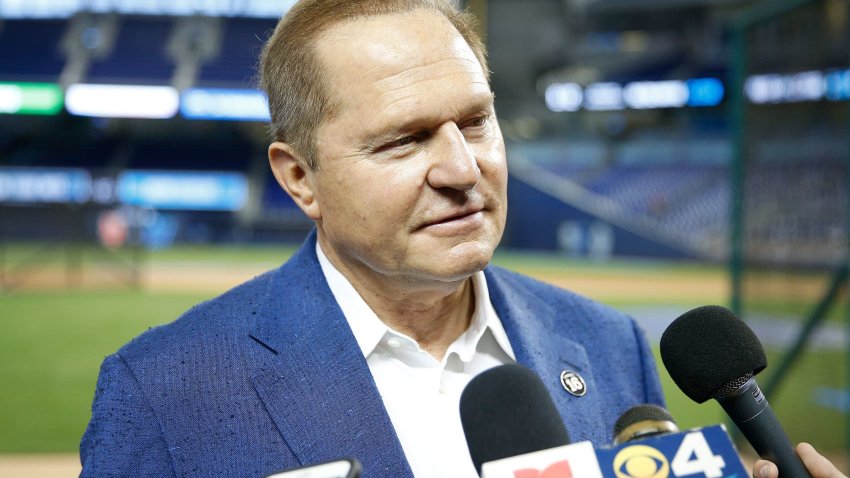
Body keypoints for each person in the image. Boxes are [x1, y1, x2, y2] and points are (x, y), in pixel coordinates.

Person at [78, 1, 845, 477]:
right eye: (404, 141)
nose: (460, 167)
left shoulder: (608, 343)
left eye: (475, 121)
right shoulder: (163, 392)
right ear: (299, 177)